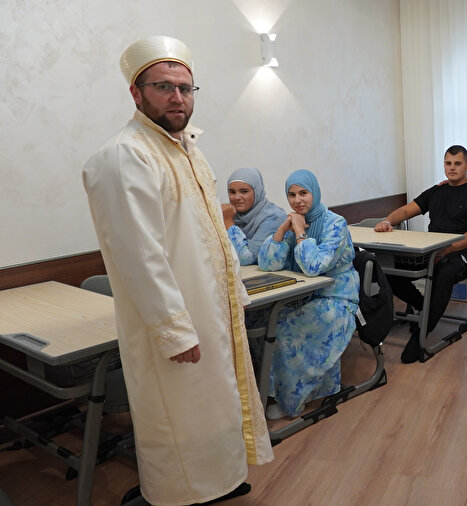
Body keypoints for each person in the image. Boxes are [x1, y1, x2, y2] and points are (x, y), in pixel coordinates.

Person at [82, 36, 272, 505]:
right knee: (178, 413)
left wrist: (234, 292)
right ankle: (175, 494)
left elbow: (213, 231)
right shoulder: (126, 155)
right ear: (136, 92)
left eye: (185, 88)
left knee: (214, 404)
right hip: (174, 319)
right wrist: (174, 329)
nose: (177, 98)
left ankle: (219, 482)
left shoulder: (186, 148)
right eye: (163, 87)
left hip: (211, 309)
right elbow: (138, 256)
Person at [375, 145, 467, 363]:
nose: (452, 168)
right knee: (388, 267)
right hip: (432, 250)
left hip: (462, 252)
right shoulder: (436, 192)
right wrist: (387, 221)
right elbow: (406, 210)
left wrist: (445, 250)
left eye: (457, 164)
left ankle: (421, 332)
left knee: (444, 273)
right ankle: (425, 306)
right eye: (448, 163)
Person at [258, 169, 360, 419]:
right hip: (304, 295)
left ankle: (293, 400)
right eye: (292, 195)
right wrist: (282, 230)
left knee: (285, 327)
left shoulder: (334, 223)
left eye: (303, 193)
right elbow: (268, 264)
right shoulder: (294, 221)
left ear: (314, 192)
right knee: (267, 320)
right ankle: (280, 392)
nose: (297, 200)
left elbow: (314, 266)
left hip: (336, 299)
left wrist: (300, 233)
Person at [223, 167, 287, 265]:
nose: (237, 197)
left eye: (244, 191)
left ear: (257, 191)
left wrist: (228, 222)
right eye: (232, 192)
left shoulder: (274, 217)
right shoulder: (232, 214)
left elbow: (246, 259)